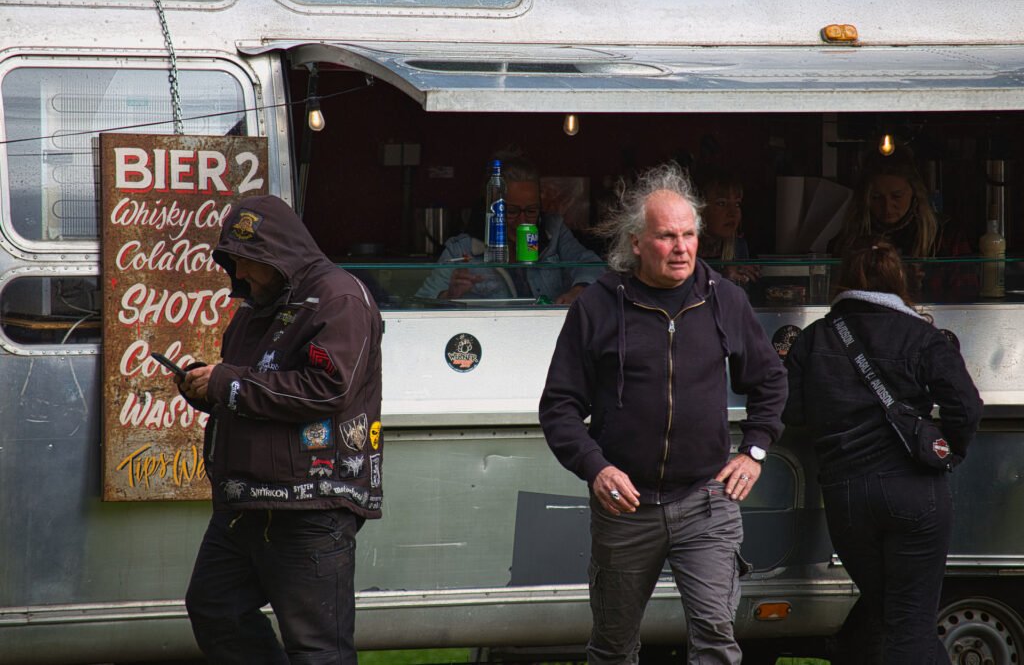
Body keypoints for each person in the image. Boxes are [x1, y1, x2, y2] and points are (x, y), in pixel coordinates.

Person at [538, 162, 788, 665]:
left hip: (706, 502)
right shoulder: (598, 307)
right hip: (626, 509)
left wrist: (754, 451)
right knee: (612, 648)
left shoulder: (725, 300)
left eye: (689, 234)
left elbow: (769, 381)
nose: (682, 248)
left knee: (717, 640)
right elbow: (560, 407)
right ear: (636, 242)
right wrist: (596, 468)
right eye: (667, 236)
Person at [176, 195, 384, 665]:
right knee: (215, 609)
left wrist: (228, 382)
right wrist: (206, 387)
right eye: (235, 263)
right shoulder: (258, 305)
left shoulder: (339, 297)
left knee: (317, 649)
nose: (241, 275)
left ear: (280, 255)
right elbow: (252, 386)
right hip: (246, 500)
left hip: (309, 505)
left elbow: (328, 388)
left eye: (249, 263)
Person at [782, 238, 982, 665]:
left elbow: (792, 410)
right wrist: (949, 450)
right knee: (908, 627)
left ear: (842, 281)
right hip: (914, 490)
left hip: (846, 496)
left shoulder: (814, 337)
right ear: (899, 282)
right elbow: (965, 405)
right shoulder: (922, 334)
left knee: (890, 618)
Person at [415, 153, 604, 304]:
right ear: (492, 208)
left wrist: (579, 290)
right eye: (511, 211)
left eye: (531, 210)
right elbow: (421, 302)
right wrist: (449, 296)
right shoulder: (463, 249)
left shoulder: (553, 231)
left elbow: (591, 264)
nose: (523, 221)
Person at [829, 148, 975, 299]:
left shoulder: (944, 236)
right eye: (877, 197)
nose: (887, 206)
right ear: (865, 199)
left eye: (897, 196)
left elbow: (966, 296)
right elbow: (837, 296)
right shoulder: (851, 239)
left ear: (914, 192)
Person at [697, 169, 759, 287]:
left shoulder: (738, 247)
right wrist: (722, 277)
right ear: (700, 208)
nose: (733, 213)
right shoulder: (683, 247)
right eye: (722, 203)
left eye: (737, 204)